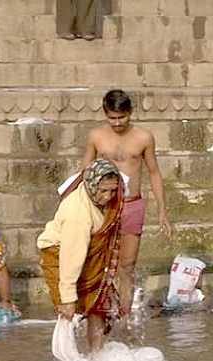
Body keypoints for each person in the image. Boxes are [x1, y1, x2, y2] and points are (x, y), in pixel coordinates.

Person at [81, 89, 172, 326]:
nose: (118, 123)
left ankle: (124, 317)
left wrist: (162, 210)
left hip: (132, 205)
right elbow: (85, 173)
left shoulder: (144, 137)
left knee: (126, 266)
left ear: (130, 112)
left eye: (122, 117)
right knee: (97, 263)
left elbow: (154, 172)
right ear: (106, 114)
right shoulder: (95, 136)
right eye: (113, 118)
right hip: (102, 207)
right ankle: (98, 314)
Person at [37, 159, 124, 353]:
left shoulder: (109, 200)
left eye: (112, 190)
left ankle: (96, 354)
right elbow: (70, 260)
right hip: (60, 254)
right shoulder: (77, 215)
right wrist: (67, 298)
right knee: (69, 310)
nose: (108, 196)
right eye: (103, 191)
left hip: (89, 253)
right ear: (91, 185)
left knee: (97, 305)